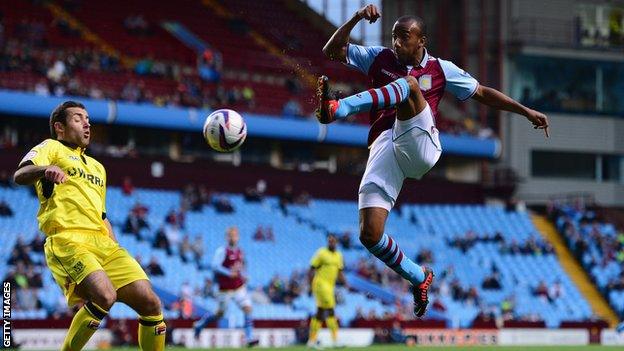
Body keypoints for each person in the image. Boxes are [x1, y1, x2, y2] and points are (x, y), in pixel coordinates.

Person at [317, 4, 549, 318]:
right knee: (369, 234)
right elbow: (332, 50)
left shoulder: (440, 70)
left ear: (421, 41)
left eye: (404, 37)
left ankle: (338, 109)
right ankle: (418, 276)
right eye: (394, 36)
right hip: (384, 147)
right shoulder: (380, 57)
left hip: (421, 143)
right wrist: (357, 17)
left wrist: (526, 111)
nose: (397, 43)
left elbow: (481, 91)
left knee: (410, 86)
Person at [13, 101, 165, 350]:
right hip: (68, 239)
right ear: (59, 127)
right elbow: (20, 175)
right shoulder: (51, 147)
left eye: (88, 119)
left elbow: (102, 215)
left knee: (151, 303)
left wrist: (115, 248)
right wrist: (45, 169)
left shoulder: (98, 167)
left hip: (103, 243)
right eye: (78, 118)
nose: (87, 123)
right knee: (105, 296)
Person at [193, 226, 259, 347]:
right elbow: (215, 266)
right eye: (230, 235)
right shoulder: (222, 251)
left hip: (239, 287)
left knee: (248, 308)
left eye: (235, 235)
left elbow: (240, 267)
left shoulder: (240, 251)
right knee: (219, 315)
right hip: (224, 290)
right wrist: (229, 273)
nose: (233, 237)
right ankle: (200, 325)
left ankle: (249, 337)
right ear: (226, 237)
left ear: (238, 237)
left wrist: (244, 275)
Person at [307, 234, 347, 349]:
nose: (331, 243)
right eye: (329, 241)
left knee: (320, 312)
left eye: (333, 241)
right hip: (320, 285)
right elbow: (311, 269)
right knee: (330, 310)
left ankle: (311, 340)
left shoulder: (338, 255)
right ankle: (335, 340)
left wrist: (345, 283)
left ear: (337, 242)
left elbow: (339, 272)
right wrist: (310, 286)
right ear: (327, 242)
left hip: (330, 286)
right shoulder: (321, 253)